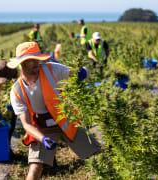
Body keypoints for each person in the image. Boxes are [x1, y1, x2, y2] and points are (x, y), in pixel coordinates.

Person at [7, 42, 101, 180]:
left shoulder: (51, 69)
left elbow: (75, 72)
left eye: (37, 59)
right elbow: (26, 124)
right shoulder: (17, 91)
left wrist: (83, 72)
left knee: (97, 154)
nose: (36, 63)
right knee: (34, 169)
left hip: (66, 120)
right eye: (31, 61)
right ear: (22, 63)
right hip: (42, 127)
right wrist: (42, 139)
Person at [0, 60, 18, 156]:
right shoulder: (4, 71)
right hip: (13, 103)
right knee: (10, 125)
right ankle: (6, 148)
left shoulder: (21, 70)